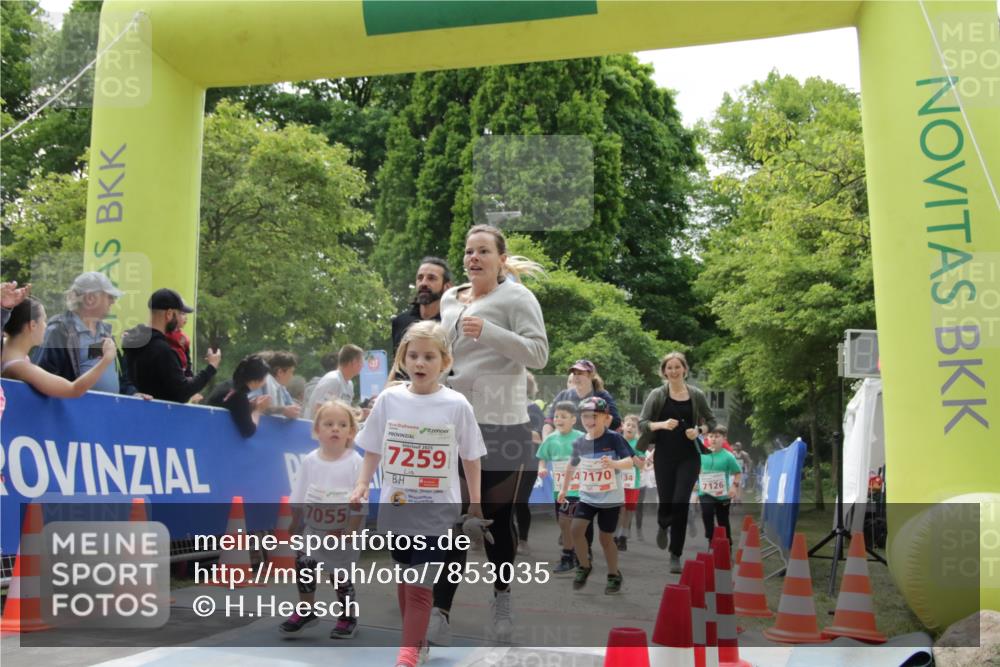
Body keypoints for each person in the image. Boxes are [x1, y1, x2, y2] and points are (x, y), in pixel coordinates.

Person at [433, 223, 548, 644]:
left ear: (501, 258)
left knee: (494, 521)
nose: (474, 258)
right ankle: (440, 612)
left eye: (483, 251)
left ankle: (501, 599)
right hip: (454, 421)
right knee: (453, 520)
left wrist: (492, 332)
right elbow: (444, 355)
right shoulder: (450, 298)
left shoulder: (517, 297)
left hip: (503, 422)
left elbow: (539, 353)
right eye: (468, 252)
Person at [349, 321, 486, 667]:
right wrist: (363, 483)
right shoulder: (389, 399)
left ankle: (407, 653)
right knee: (404, 572)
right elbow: (372, 449)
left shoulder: (457, 405)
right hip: (398, 506)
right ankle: (419, 642)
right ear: (402, 359)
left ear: (445, 361)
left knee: (420, 582)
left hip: (438, 511)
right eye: (413, 356)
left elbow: (471, 456)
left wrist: (475, 501)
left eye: (429, 356)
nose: (420, 363)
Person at [281, 399, 366, 639]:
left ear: (351, 431)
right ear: (317, 430)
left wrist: (350, 531)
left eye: (342, 424)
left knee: (340, 575)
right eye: (328, 424)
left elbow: (359, 502)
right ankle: (306, 608)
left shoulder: (355, 462)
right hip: (314, 529)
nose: (335, 429)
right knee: (304, 563)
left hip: (341, 531)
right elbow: (298, 494)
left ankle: (348, 617)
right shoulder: (310, 460)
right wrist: (295, 522)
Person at [637, 351, 716, 573]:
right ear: (664, 371)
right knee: (667, 502)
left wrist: (699, 430)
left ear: (685, 369)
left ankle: (675, 554)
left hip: (689, 457)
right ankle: (663, 524)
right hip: (664, 455)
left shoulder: (696, 395)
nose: (673, 371)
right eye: (669, 368)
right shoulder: (657, 394)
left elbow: (711, 420)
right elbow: (643, 423)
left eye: (677, 367)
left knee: (681, 503)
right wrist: (661, 425)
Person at [557, 397, 637, 595]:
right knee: (576, 530)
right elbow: (571, 466)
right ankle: (584, 565)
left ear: (605, 418)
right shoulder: (579, 442)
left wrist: (614, 464)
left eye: (594, 416)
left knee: (605, 538)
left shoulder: (613, 438)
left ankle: (613, 574)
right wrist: (564, 489)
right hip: (587, 496)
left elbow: (629, 462)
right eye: (585, 416)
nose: (588, 420)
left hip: (610, 499)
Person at [34, 271, 144, 397]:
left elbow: (118, 378)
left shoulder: (105, 332)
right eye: (109, 296)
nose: (113, 301)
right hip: (72, 413)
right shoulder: (58, 332)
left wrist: (133, 393)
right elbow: (43, 380)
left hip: (105, 412)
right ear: (90, 298)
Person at [2, 297, 117, 397]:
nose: (46, 326)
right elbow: (73, 389)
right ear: (33, 325)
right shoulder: (20, 368)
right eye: (44, 320)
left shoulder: (7, 350)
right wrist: (106, 359)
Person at [122, 288, 221, 403]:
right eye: (179, 313)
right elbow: (182, 392)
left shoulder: (134, 341)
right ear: (169, 314)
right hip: (160, 416)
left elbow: (126, 381)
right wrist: (211, 368)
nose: (180, 318)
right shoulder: (162, 350)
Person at [536, 400, 585, 575]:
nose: (559, 419)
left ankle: (569, 556)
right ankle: (575, 555)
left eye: (563, 416)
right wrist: (542, 468)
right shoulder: (550, 439)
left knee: (568, 523)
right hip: (559, 490)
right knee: (563, 523)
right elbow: (542, 457)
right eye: (556, 416)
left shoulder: (581, 437)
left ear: (573, 419)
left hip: (578, 489)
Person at [390, 257, 453, 360]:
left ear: (447, 286)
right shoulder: (400, 322)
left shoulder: (452, 323)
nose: (423, 283)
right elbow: (397, 366)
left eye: (431, 278)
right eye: (420, 278)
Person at [543, 360, 621, 437]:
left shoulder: (602, 396)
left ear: (591, 375)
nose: (576, 377)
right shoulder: (563, 395)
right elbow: (549, 421)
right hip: (566, 446)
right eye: (574, 373)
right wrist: (546, 441)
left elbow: (615, 422)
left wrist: (594, 438)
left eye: (580, 373)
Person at [206, 354, 272, 438]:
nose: (265, 382)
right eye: (265, 378)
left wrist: (249, 405)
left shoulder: (226, 385)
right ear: (256, 380)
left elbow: (233, 407)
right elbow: (248, 431)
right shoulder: (239, 396)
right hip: (215, 437)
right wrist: (258, 410)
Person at [516, 371, 545, 556]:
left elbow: (538, 437)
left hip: (528, 463)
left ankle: (523, 541)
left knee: (520, 501)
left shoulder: (533, 409)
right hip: (506, 462)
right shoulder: (505, 408)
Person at [698, 425, 742, 547]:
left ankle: (727, 543)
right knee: (707, 512)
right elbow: (696, 470)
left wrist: (734, 487)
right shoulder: (702, 454)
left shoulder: (728, 456)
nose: (713, 439)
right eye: (711, 436)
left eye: (717, 436)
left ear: (724, 438)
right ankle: (710, 538)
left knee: (723, 521)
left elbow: (737, 473)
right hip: (705, 492)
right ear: (707, 437)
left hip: (723, 495)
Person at [614, 414, 645, 551]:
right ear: (623, 426)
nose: (630, 428)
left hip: (633, 483)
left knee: (628, 511)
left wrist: (632, 457)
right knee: (621, 509)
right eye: (628, 425)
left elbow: (641, 466)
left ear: (637, 430)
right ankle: (615, 535)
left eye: (634, 426)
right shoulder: (616, 441)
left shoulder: (639, 444)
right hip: (618, 482)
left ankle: (623, 537)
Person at [305, 344, 363, 418]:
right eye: (361, 362)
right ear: (353, 362)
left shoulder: (349, 384)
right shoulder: (333, 380)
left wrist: (357, 412)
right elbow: (319, 410)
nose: (362, 365)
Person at [255, 350, 301, 419]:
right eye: (291, 372)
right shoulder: (261, 380)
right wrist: (282, 410)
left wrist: (294, 410)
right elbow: (252, 405)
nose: (292, 376)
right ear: (280, 372)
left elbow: (291, 406)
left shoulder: (281, 388)